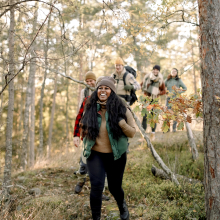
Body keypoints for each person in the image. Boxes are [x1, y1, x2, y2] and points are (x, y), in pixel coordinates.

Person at [81, 76, 136, 220]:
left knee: (114, 187)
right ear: (97, 90)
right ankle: (96, 217)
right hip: (95, 154)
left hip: (116, 155)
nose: (103, 91)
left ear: (112, 90)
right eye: (100, 88)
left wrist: (121, 124)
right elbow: (82, 125)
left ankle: (122, 205)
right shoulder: (90, 106)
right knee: (97, 186)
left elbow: (132, 132)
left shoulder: (122, 107)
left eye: (107, 88)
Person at [73, 76, 110, 200]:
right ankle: (80, 181)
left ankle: (100, 191)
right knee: (84, 164)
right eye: (100, 87)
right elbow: (79, 117)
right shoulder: (87, 100)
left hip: (104, 140)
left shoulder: (110, 101)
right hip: (88, 138)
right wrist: (76, 135)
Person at [140, 65, 166, 140]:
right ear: (152, 70)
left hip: (154, 100)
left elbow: (164, 91)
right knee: (144, 117)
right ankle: (143, 135)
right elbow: (141, 85)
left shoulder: (160, 79)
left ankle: (152, 134)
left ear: (159, 71)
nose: (155, 71)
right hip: (146, 99)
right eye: (154, 69)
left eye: (157, 70)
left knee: (153, 117)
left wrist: (158, 93)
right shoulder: (147, 77)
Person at [165, 68, 187, 132]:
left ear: (177, 73)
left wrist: (178, 92)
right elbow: (162, 86)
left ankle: (174, 129)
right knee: (167, 112)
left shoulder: (179, 80)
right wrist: (165, 91)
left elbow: (185, 88)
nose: (173, 72)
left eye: (175, 71)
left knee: (175, 113)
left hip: (175, 99)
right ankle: (167, 128)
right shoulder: (167, 80)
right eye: (172, 71)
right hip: (168, 98)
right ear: (170, 72)